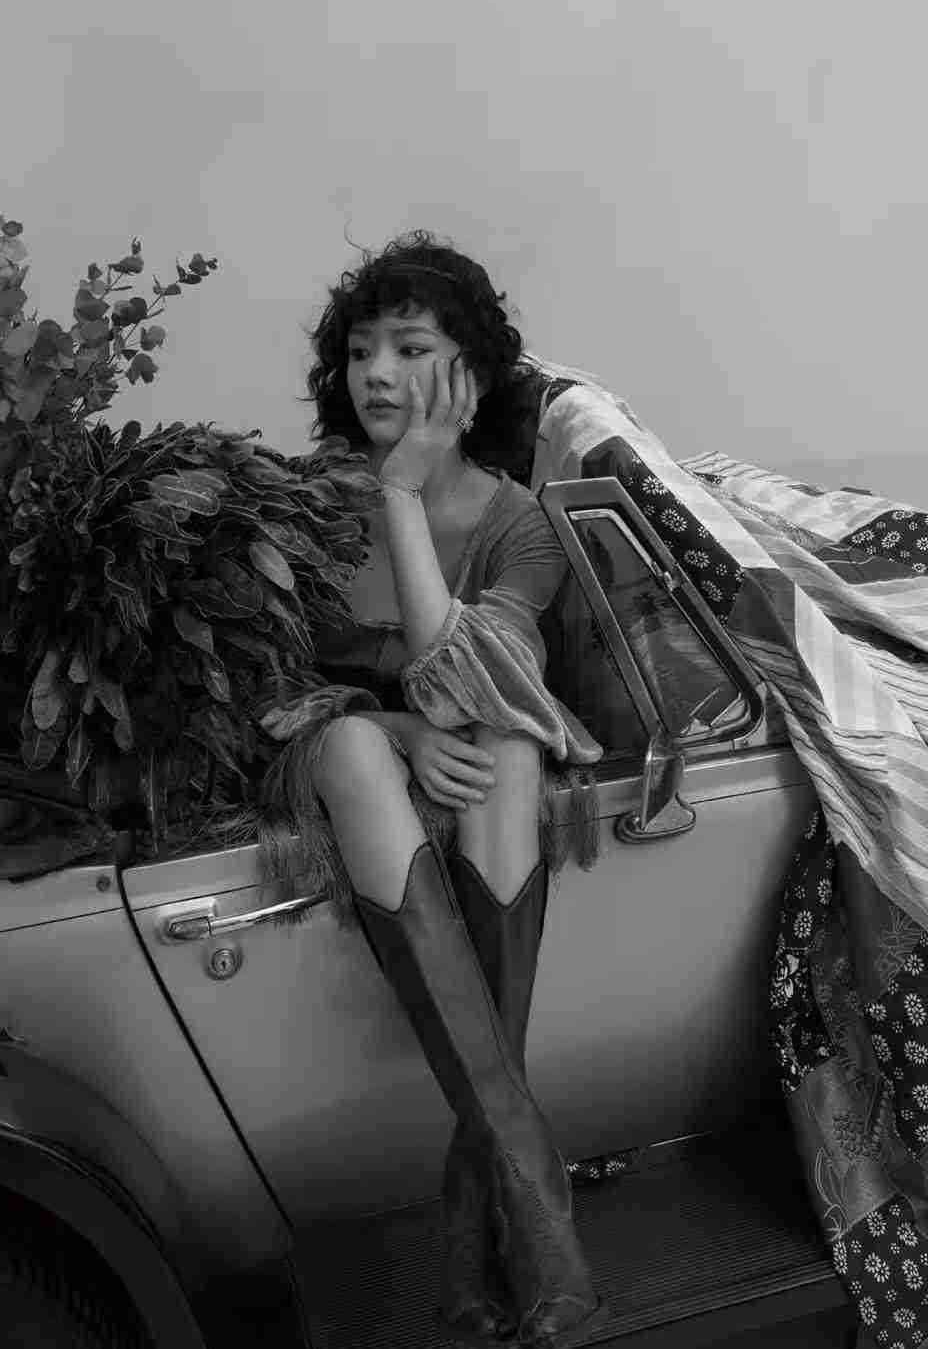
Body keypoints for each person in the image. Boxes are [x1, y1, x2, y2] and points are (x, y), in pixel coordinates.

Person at [258, 231, 608, 1348]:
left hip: (468, 760)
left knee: (509, 744)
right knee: (357, 751)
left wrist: (407, 497)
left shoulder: (522, 526)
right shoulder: (302, 504)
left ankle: (474, 1224)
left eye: (409, 348)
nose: (375, 372)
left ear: (470, 371)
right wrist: (393, 725)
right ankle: (537, 1215)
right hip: (330, 749)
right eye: (361, 349)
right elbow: (274, 687)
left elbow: (467, 690)